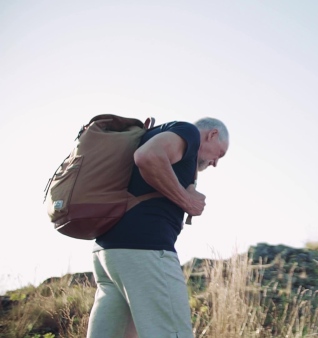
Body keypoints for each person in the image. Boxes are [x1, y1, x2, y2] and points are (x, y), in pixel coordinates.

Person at [86, 117, 229, 338]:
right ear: (212, 135)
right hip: (146, 249)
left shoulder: (165, 138)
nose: (216, 162)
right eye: (219, 154)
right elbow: (147, 156)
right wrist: (187, 201)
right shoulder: (188, 131)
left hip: (110, 253)